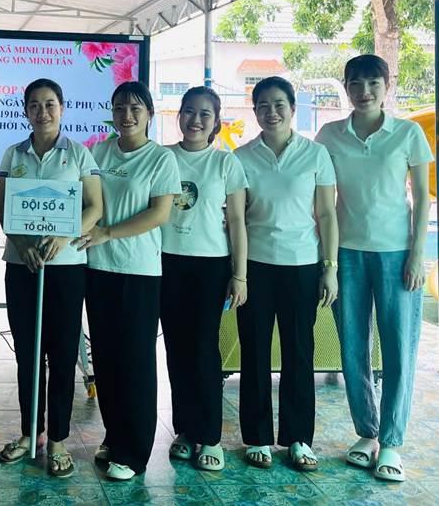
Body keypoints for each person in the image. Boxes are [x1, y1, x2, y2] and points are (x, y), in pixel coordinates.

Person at [316, 54, 432, 482]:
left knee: (399, 348)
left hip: (397, 254)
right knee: (352, 347)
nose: (364, 91)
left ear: (386, 86)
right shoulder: (330, 135)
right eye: (355, 83)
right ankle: (366, 433)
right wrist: (326, 259)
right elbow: (322, 199)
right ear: (346, 87)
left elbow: (422, 199)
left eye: (373, 83)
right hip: (346, 253)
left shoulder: (408, 133)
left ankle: (393, 442)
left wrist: (417, 254)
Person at [0, 79, 103, 478]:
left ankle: (57, 439)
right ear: (25, 110)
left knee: (61, 354)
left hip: (67, 266)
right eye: (35, 105)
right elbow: (5, 207)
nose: (43, 112)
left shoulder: (78, 154)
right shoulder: (13, 153)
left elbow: (94, 207)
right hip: (21, 265)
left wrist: (63, 234)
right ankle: (31, 433)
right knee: (28, 354)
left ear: (62, 108)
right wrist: (22, 243)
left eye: (50, 104)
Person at [76, 80, 181, 481]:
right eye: (120, 108)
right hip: (97, 268)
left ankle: (134, 453)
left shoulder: (161, 159)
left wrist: (108, 232)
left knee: (135, 361)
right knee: (105, 359)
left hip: (138, 272)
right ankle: (114, 435)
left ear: (149, 113)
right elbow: (86, 201)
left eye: (136, 108)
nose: (127, 115)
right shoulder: (98, 152)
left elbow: (159, 213)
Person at [234, 75, 338, 472]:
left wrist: (329, 268)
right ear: (255, 111)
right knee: (254, 352)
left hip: (302, 267)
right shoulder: (241, 157)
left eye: (279, 104)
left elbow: (326, 214)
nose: (271, 112)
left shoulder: (315, 155)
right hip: (256, 266)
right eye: (263, 105)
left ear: (293, 109)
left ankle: (298, 439)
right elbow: (237, 218)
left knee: (299, 353)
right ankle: (257, 437)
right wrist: (238, 273)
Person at [160, 86, 248, 471]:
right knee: (176, 349)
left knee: (204, 349)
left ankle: (210, 436)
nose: (195, 120)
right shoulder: (163, 157)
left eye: (204, 114)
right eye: (189, 111)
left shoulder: (226, 163)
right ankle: (184, 429)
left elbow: (238, 221)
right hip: (165, 262)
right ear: (179, 115)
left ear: (216, 123)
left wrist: (239, 274)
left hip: (210, 266)